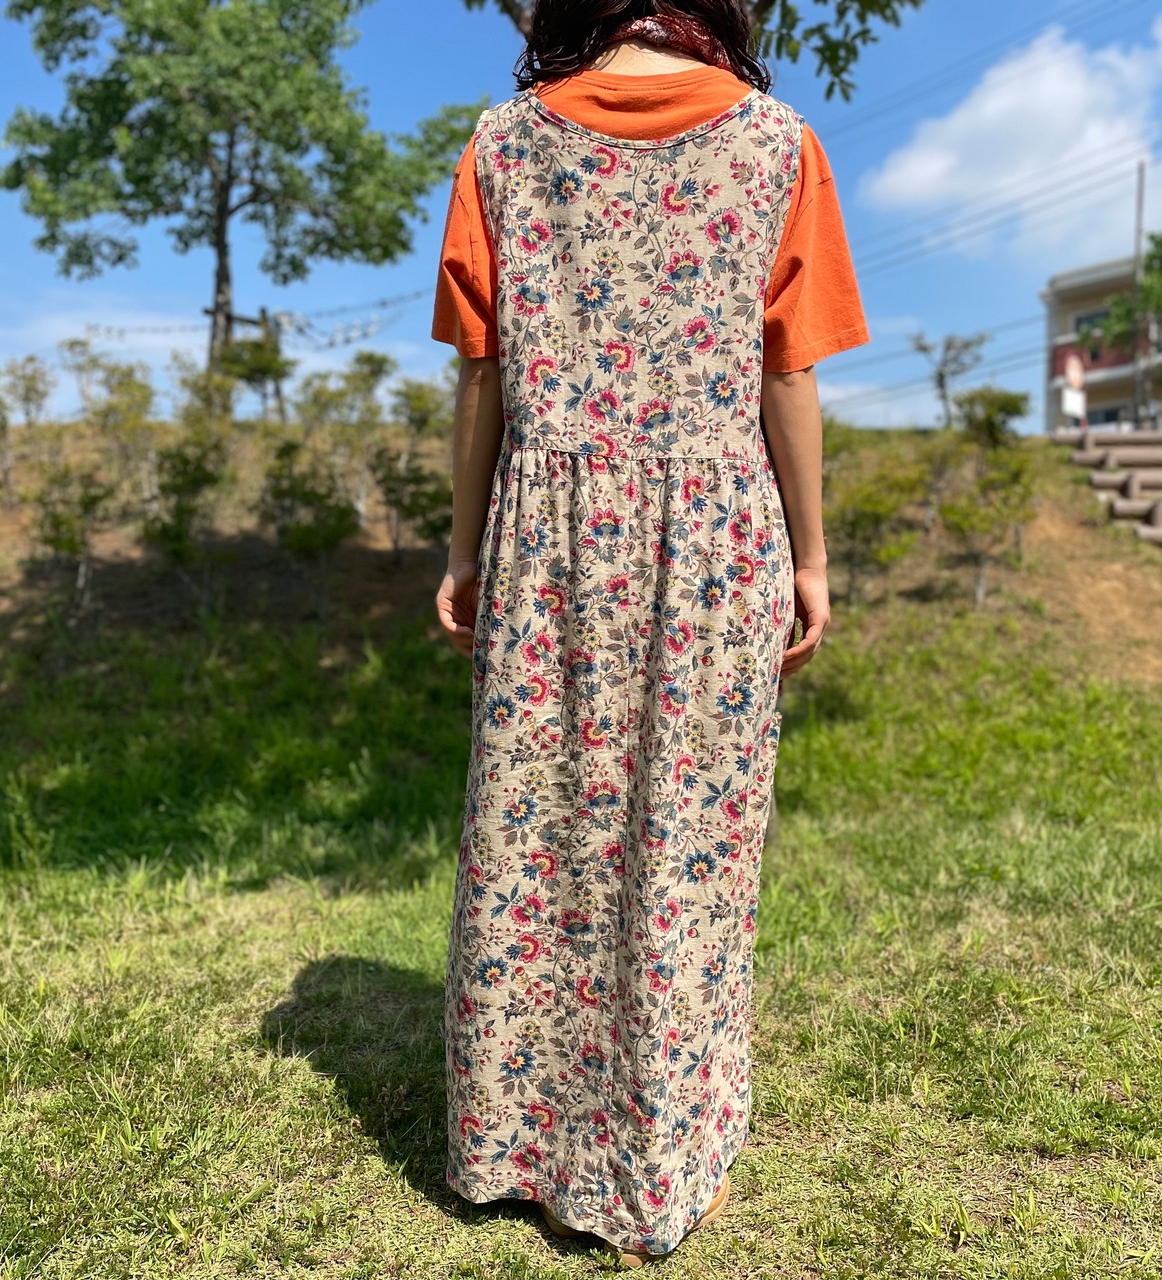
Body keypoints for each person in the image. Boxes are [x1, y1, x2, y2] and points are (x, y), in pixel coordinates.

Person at [431, 1, 868, 1267]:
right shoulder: (777, 142)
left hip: (549, 533)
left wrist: (462, 549)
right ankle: (656, 1158)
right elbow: (787, 371)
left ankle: (514, 1147)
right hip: (715, 529)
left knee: (533, 827)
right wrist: (809, 554)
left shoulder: (502, 143)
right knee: (686, 844)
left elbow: (482, 370)